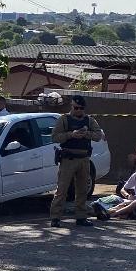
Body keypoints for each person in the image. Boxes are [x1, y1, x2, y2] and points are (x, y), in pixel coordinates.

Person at [48, 95, 105, 226]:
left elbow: (98, 136)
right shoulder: (64, 119)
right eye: (75, 107)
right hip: (68, 158)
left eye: (80, 108)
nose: (78, 110)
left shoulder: (89, 120)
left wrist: (86, 134)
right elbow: (55, 137)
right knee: (62, 190)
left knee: (82, 190)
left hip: (84, 159)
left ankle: (81, 217)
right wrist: (71, 135)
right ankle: (55, 218)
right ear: (71, 107)